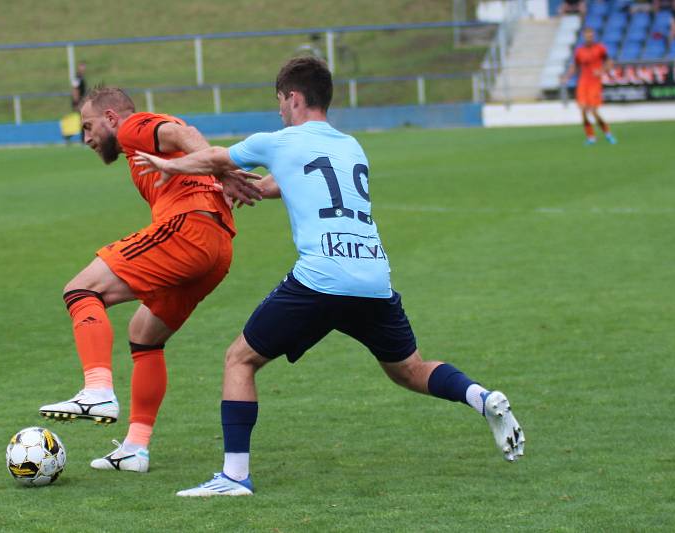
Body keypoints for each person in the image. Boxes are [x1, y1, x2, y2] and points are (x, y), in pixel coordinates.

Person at [134, 57, 525, 497]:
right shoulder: (351, 147)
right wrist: (258, 187)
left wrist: (171, 167)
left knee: (239, 360)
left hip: (321, 277)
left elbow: (214, 157)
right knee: (409, 370)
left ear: (294, 98)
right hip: (373, 276)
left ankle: (234, 476)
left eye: (281, 101)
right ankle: (482, 398)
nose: (280, 110)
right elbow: (305, 181)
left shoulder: (280, 140)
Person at [38, 86, 262, 473]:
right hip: (218, 249)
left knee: (80, 290)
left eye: (89, 127)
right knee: (145, 334)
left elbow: (181, 132)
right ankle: (135, 450)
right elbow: (182, 137)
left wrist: (222, 170)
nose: (87, 138)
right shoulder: (141, 144)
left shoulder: (131, 128)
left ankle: (97, 390)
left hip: (188, 230)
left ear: (111, 118)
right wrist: (219, 174)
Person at [562, 28, 617, 145]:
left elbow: (610, 63)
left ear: (594, 36)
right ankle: (591, 137)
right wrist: (566, 77)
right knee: (582, 110)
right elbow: (575, 66)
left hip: (594, 82)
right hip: (583, 82)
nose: (589, 37)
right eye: (587, 35)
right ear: (584, 36)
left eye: (591, 35)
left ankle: (608, 134)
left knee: (593, 110)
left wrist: (601, 70)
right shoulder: (579, 51)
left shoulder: (600, 48)